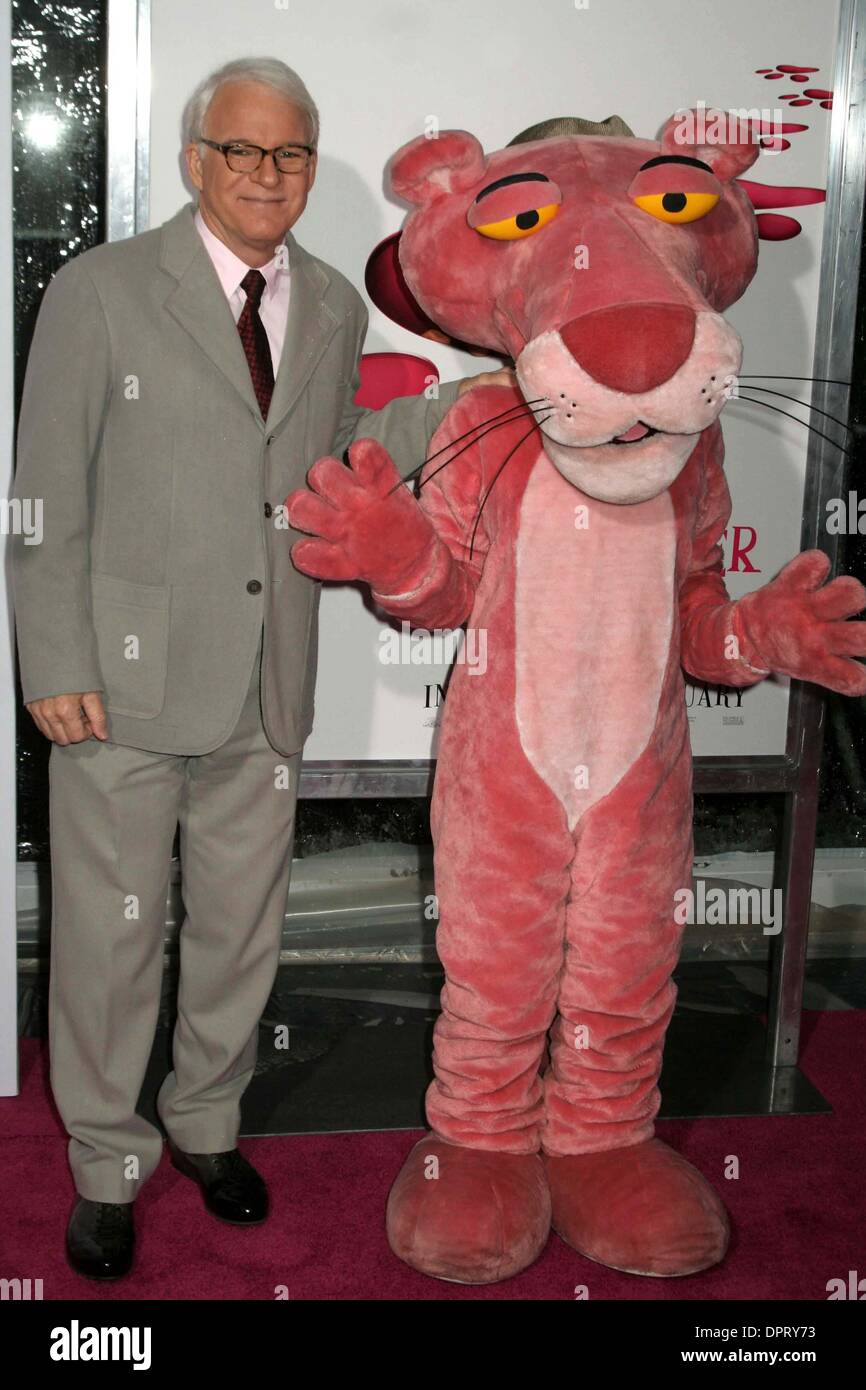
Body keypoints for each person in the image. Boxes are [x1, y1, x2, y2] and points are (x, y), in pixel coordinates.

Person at [10, 55, 508, 1281]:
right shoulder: (101, 290)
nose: (268, 174)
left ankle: (206, 1125)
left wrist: (447, 412)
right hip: (119, 679)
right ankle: (105, 1164)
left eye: (290, 152)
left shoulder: (331, 300)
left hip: (269, 668)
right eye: (242, 151)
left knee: (239, 932)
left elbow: (323, 450)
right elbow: (41, 491)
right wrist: (52, 654)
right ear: (194, 160)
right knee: (111, 941)